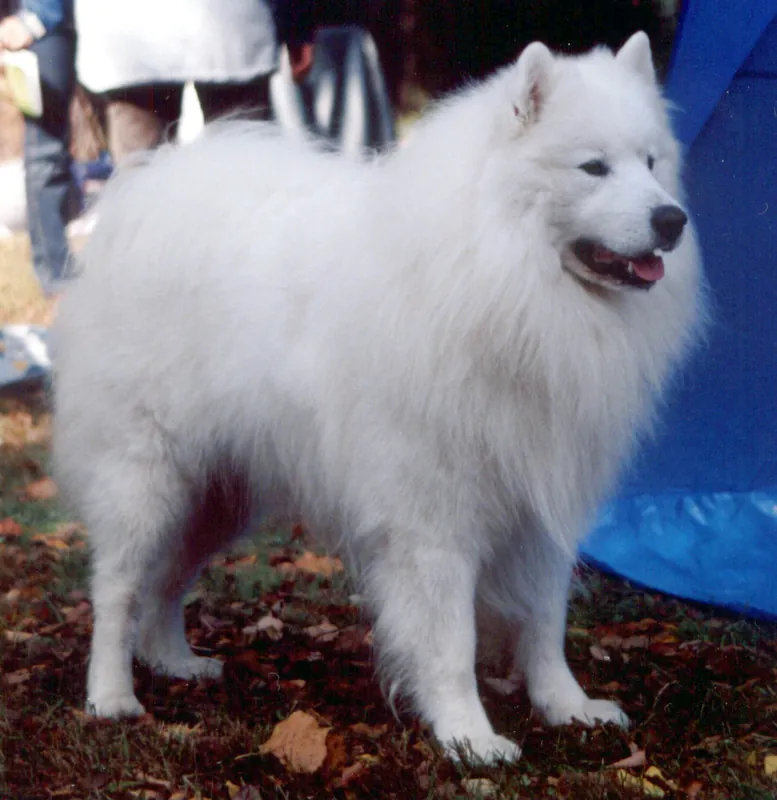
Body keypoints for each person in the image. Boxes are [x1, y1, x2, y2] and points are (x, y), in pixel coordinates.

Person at [74, 0, 315, 164]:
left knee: (141, 178)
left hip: (126, 35)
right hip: (227, 32)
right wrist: (297, 26)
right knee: (243, 166)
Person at [0, 0, 77, 297]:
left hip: (42, 24)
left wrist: (33, 19)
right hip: (33, 24)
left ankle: (56, 272)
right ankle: (55, 273)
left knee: (46, 153)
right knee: (45, 155)